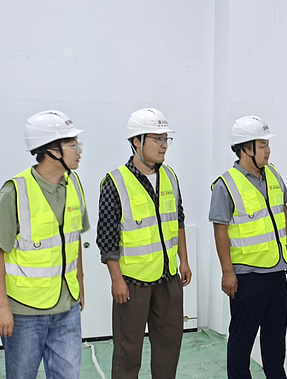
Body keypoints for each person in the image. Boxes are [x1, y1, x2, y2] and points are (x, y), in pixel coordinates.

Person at [0, 110, 90, 379]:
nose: (79, 150)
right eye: (72, 144)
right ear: (52, 150)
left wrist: (79, 283)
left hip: (67, 306)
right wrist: (1, 306)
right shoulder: (14, 191)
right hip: (24, 311)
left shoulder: (74, 184)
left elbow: (74, 238)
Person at [97, 107, 191, 379]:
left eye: (166, 139)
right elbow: (107, 238)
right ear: (136, 142)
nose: (164, 145)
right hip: (132, 283)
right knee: (128, 352)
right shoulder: (115, 183)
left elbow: (179, 220)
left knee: (169, 345)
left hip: (168, 278)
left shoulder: (170, 177)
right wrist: (116, 280)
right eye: (157, 139)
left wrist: (184, 260)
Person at [209, 116, 287, 379]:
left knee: (275, 344)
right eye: (262, 144)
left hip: (276, 274)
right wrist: (227, 272)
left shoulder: (273, 174)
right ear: (245, 149)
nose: (268, 150)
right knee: (241, 344)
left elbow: (284, 211)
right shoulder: (226, 184)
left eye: (267, 144)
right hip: (247, 278)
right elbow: (220, 229)